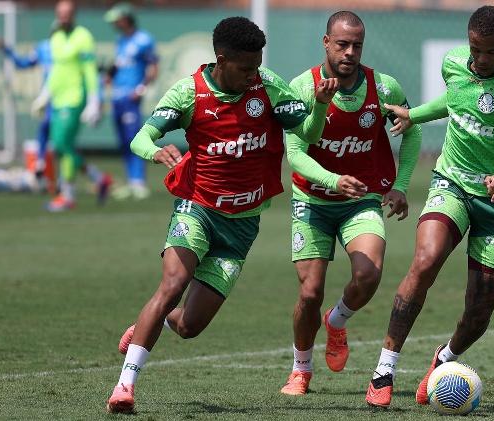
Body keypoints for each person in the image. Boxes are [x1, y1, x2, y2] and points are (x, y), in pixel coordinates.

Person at [105, 16, 339, 413]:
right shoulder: (189, 94)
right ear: (221, 59)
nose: (253, 75)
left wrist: (319, 105)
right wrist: (156, 151)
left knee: (189, 326)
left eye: (256, 66)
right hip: (197, 209)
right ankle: (124, 386)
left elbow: (311, 135)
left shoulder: (267, 87)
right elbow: (141, 137)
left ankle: (153, 322)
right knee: (173, 284)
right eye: (245, 68)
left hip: (242, 225)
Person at [364, 5, 494, 408]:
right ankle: (384, 369)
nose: (481, 60)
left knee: (478, 315)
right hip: (452, 182)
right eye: (475, 50)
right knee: (426, 260)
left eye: (491, 52)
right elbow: (455, 100)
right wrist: (413, 116)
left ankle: (443, 359)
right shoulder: (453, 63)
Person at [279, 11, 422, 396]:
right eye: (342, 44)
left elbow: (412, 131)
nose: (350, 52)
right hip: (312, 201)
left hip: (360, 202)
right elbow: (295, 153)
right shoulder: (303, 87)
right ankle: (301, 370)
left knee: (368, 275)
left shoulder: (384, 87)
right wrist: (332, 180)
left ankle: (337, 321)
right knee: (310, 293)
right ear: (326, 42)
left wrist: (399, 185)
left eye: (357, 45)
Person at [46, 0, 112, 211]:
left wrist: (94, 99)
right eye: (60, 13)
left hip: (75, 98)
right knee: (64, 147)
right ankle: (93, 181)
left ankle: (70, 193)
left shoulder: (83, 36)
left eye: (67, 13)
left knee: (61, 144)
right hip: (58, 98)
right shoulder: (55, 37)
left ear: (73, 14)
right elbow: (55, 71)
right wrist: (44, 94)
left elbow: (90, 71)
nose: (63, 17)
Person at [104, 3, 159, 200]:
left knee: (133, 139)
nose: (114, 24)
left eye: (116, 20)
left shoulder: (143, 39)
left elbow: (153, 66)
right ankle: (131, 181)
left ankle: (139, 182)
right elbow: (119, 65)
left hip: (131, 97)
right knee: (123, 142)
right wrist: (109, 77)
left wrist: (141, 88)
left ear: (126, 18)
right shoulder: (120, 40)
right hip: (117, 97)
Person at [0, 35, 55, 192]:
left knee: (60, 139)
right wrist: (7, 51)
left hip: (67, 99)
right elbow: (23, 63)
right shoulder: (44, 47)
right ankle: (41, 166)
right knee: (44, 130)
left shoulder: (71, 48)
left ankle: (53, 176)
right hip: (49, 99)